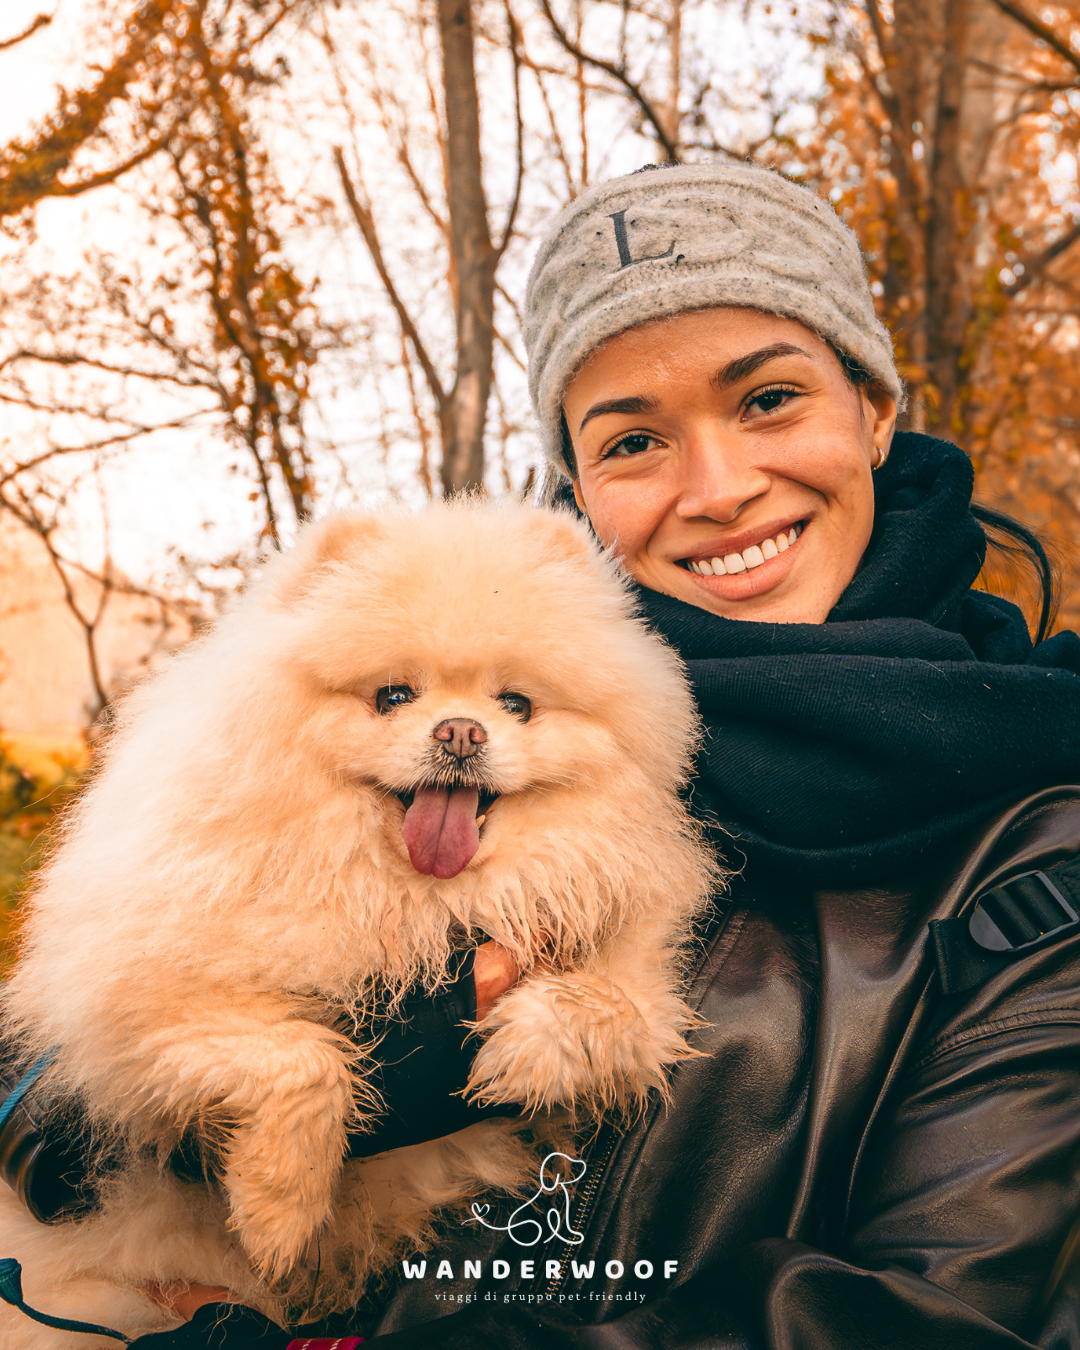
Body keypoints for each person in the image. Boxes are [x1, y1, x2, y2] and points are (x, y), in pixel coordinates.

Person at [14, 161, 1080, 1350]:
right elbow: (62, 1069)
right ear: (579, 487)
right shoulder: (419, 727)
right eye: (635, 440)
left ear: (874, 409)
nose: (719, 488)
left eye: (769, 399)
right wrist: (151, 1106)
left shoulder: (1038, 838)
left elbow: (935, 1313)